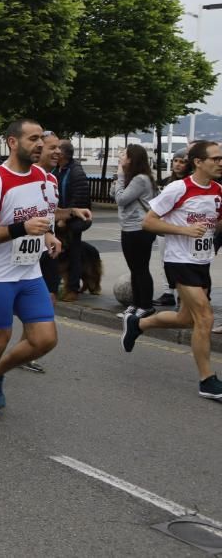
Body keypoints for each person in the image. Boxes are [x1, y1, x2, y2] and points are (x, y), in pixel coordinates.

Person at [0, 119, 62, 420]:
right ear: (13, 142)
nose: (40, 145)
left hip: (29, 273)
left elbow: (39, 216)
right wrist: (22, 228)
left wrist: (47, 235)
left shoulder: (43, 178)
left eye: (41, 139)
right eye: (33, 139)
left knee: (45, 339)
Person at [122, 140, 222, 400]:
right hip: (179, 261)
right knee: (205, 317)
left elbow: (215, 223)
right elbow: (149, 222)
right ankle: (207, 380)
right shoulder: (178, 188)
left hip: (201, 262)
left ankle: (138, 324)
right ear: (198, 162)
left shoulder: (218, 190)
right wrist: (184, 230)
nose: (220, 163)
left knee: (185, 319)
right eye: (215, 158)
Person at [114, 144, 158, 320]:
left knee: (140, 268)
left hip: (140, 229)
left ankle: (146, 305)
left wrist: (120, 176)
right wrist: (120, 179)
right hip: (129, 228)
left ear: (132, 158)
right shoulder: (133, 177)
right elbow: (115, 194)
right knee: (134, 268)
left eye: (123, 154)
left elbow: (121, 199)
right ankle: (135, 303)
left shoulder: (140, 179)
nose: (120, 157)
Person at [153, 150, 192, 307]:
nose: (177, 164)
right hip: (164, 227)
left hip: (182, 229)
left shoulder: (189, 183)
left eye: (182, 161)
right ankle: (168, 292)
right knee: (165, 261)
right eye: (175, 161)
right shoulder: (168, 181)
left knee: (184, 263)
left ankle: (183, 295)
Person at [54, 140, 92, 301]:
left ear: (62, 154)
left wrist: (65, 218)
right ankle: (56, 285)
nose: (54, 152)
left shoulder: (76, 171)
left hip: (73, 223)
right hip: (58, 220)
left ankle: (73, 289)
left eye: (56, 149)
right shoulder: (58, 169)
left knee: (73, 254)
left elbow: (80, 198)